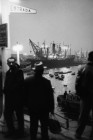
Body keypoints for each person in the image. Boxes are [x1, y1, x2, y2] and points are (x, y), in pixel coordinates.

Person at [25, 61, 54, 140]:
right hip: (44, 109)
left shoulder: (27, 81)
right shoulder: (47, 82)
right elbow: (50, 97)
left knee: (33, 126)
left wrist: (26, 106)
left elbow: (24, 95)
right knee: (44, 127)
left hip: (32, 108)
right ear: (42, 71)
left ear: (34, 70)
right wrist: (52, 109)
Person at [3, 57, 25, 138]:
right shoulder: (9, 72)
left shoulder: (19, 71)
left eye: (12, 63)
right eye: (9, 63)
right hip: (10, 98)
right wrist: (5, 90)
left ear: (15, 63)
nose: (11, 64)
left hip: (17, 98)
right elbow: (7, 83)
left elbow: (20, 84)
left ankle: (20, 132)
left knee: (19, 116)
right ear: (7, 63)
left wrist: (8, 90)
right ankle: (11, 131)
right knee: (8, 114)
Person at [75, 51, 93, 139]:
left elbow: (77, 84)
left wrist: (80, 95)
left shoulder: (81, 68)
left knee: (82, 117)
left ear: (88, 58)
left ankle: (78, 134)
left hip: (85, 97)